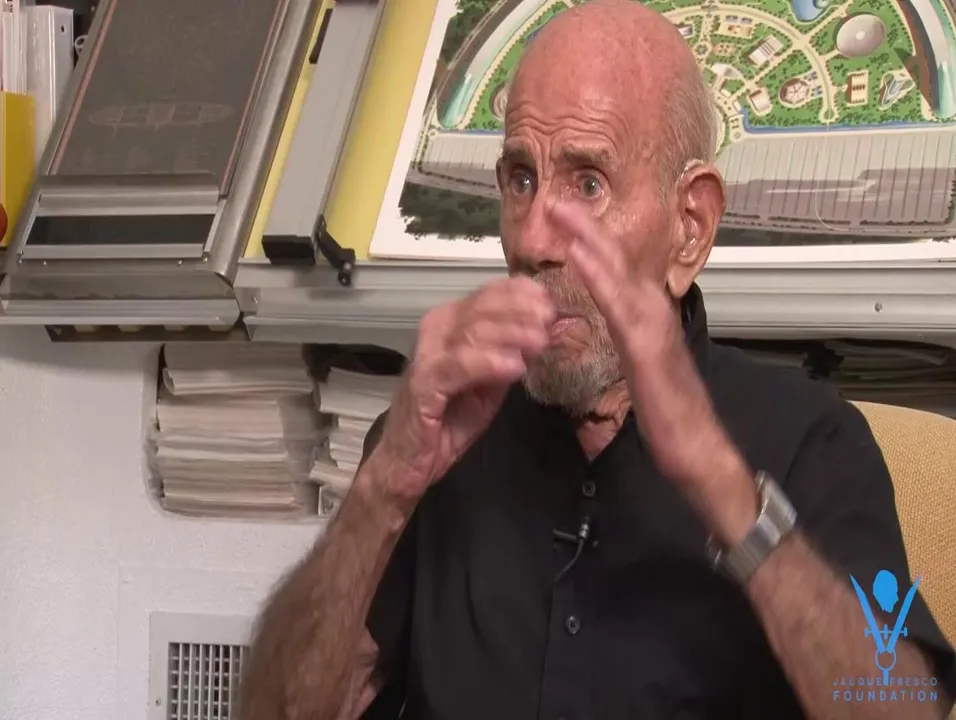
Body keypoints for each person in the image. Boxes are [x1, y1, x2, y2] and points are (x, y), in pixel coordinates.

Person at [238, 1, 956, 718]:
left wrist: (722, 487)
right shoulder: (438, 438)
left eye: (588, 184)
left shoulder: (810, 439)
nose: (532, 242)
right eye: (521, 179)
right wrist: (383, 490)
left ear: (689, 227)